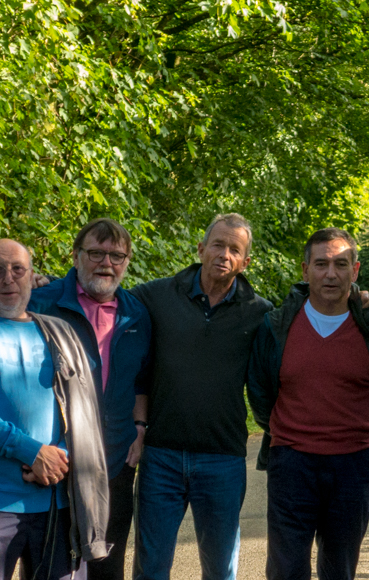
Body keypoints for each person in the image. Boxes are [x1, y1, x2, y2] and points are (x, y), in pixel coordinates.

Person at [0, 220, 153, 580]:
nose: (9, 278)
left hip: (74, 485)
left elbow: (103, 393)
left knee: (103, 569)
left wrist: (63, 457)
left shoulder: (113, 317)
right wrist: (33, 452)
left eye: (18, 270)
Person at [247, 228, 369, 580]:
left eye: (340, 264)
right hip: (291, 462)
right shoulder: (275, 326)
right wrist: (281, 429)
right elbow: (260, 389)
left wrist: (368, 431)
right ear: (305, 271)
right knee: (286, 570)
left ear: (355, 270)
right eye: (321, 264)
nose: (330, 273)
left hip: (353, 465)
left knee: (340, 568)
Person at [128, 214, 273, 580]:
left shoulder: (259, 312)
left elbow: (307, 321)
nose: (224, 254)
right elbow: (101, 302)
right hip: (160, 455)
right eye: (218, 245)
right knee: (151, 567)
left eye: (234, 249)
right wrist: (47, 288)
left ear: (245, 262)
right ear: (201, 248)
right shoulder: (156, 296)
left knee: (221, 570)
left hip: (222, 458)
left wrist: (357, 299)